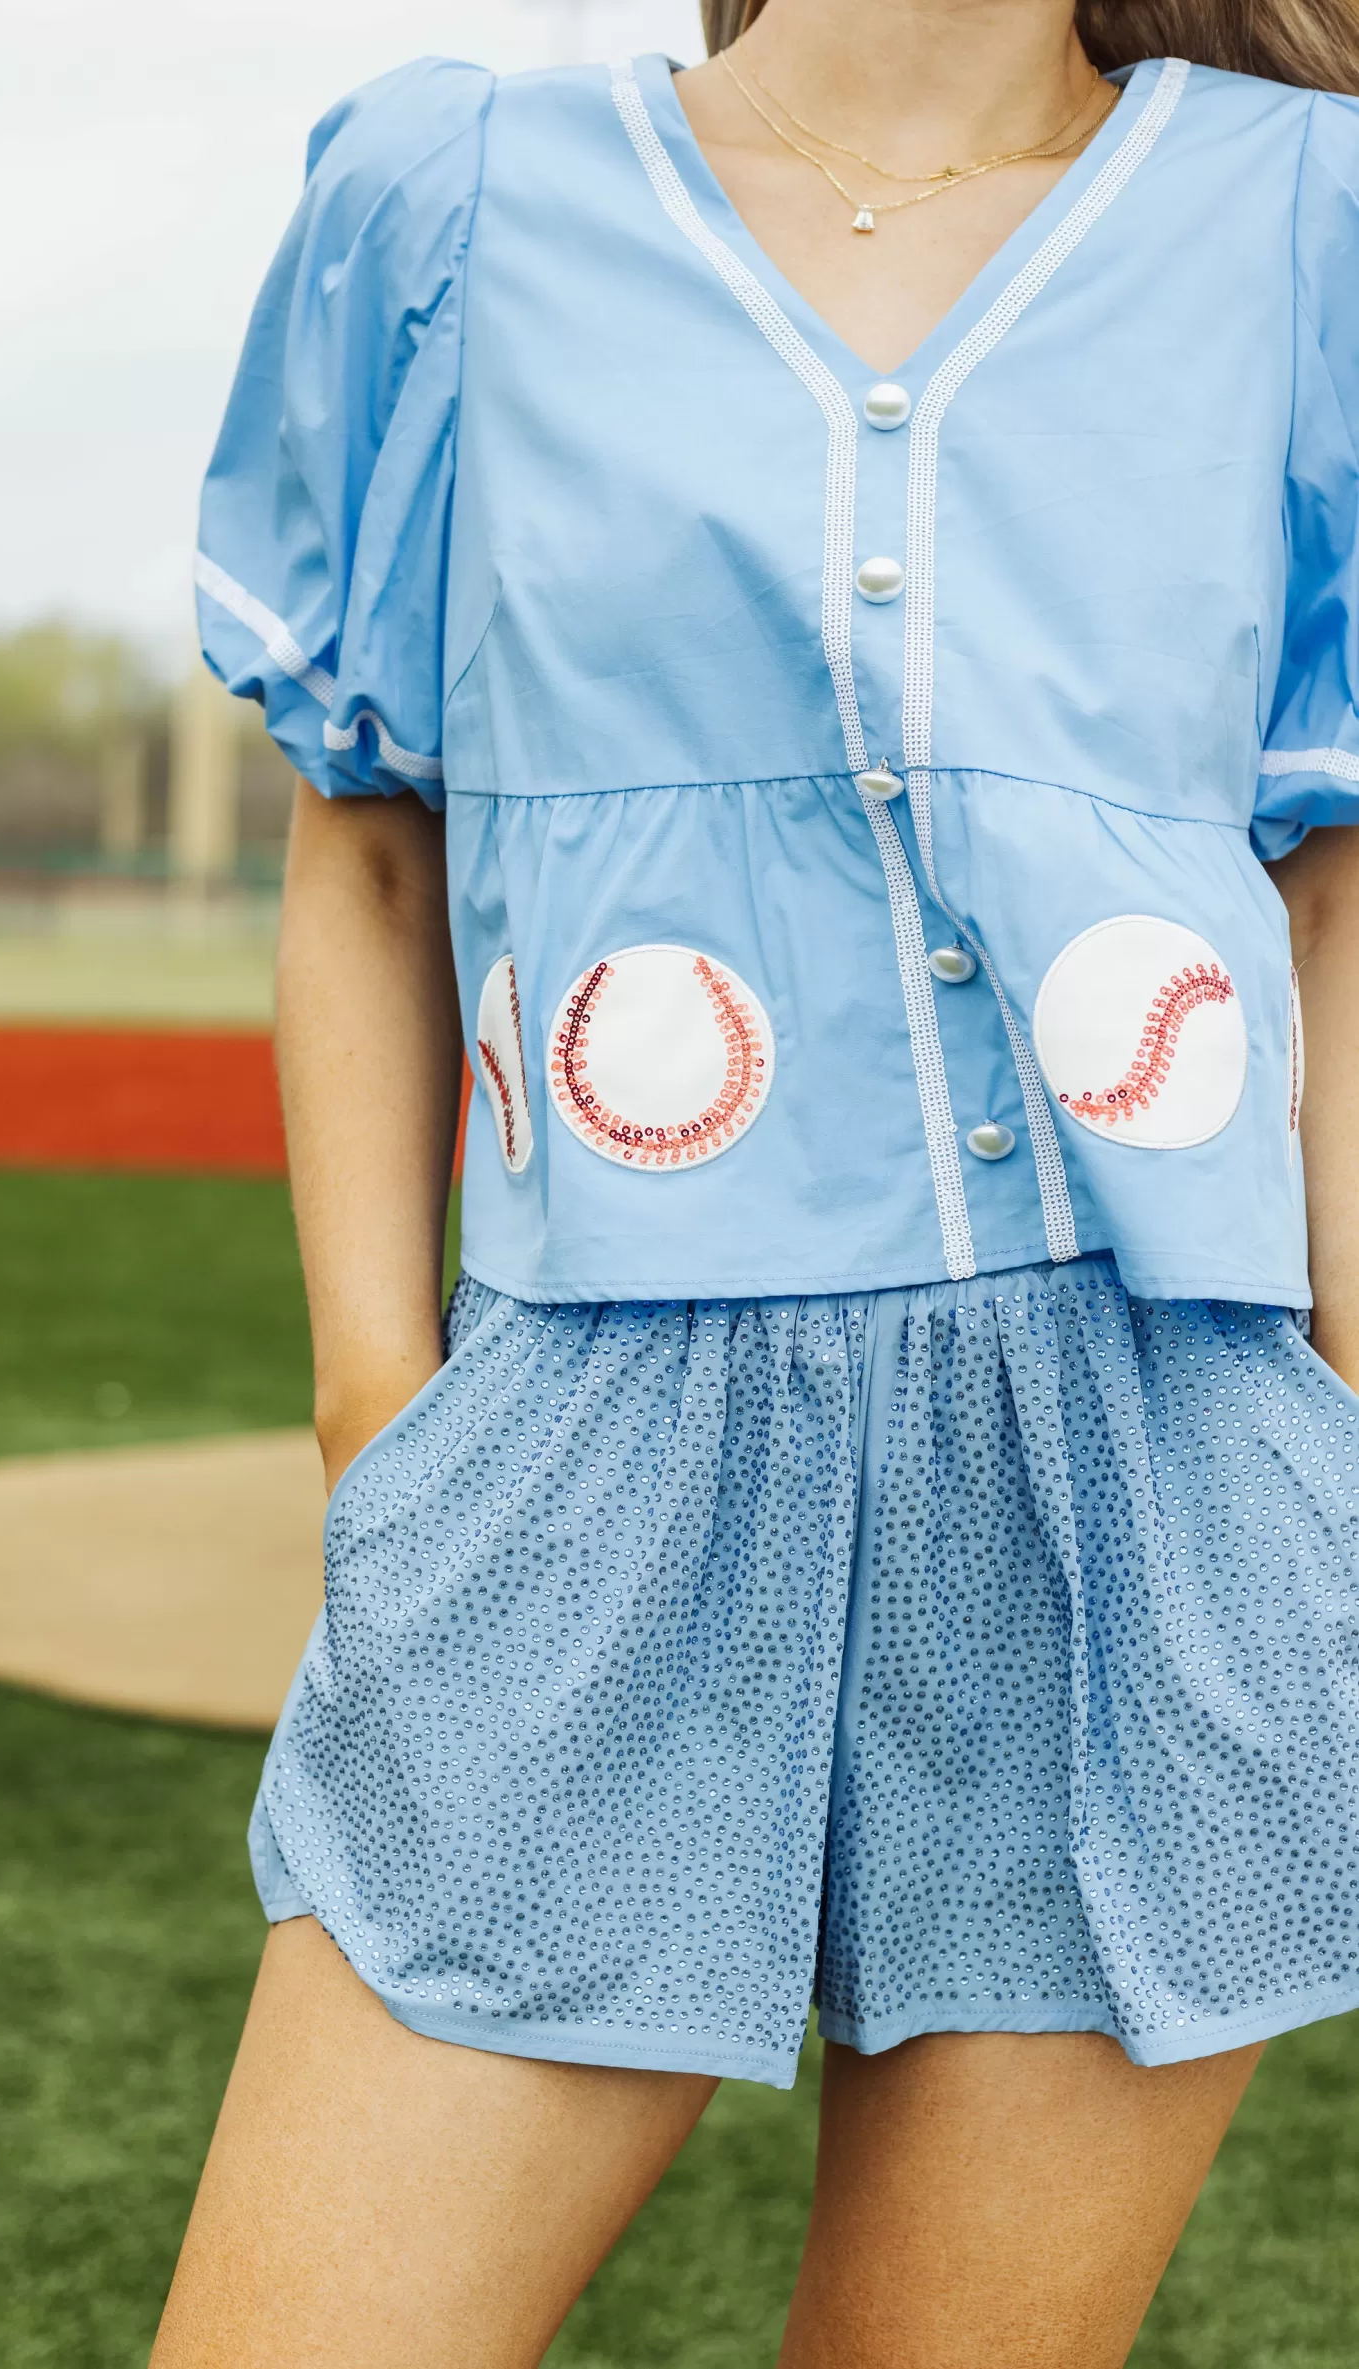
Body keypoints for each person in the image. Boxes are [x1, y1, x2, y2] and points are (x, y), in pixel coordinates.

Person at [154, 0, 1359, 2357]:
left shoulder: (1308, 223)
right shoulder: (453, 201)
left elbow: (1341, 875)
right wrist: (380, 1410)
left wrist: (1330, 1422)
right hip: (586, 1444)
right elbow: (366, 850)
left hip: (1149, 1456)